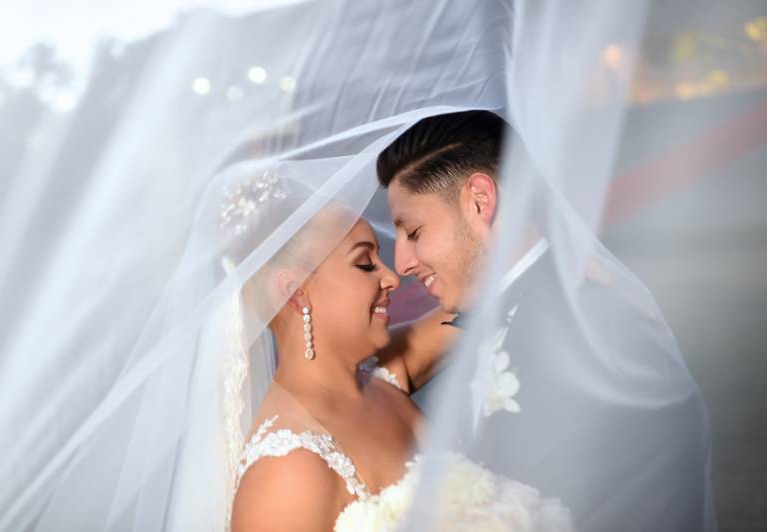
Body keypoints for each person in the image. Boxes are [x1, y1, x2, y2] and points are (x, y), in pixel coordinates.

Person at [376, 110, 716, 532]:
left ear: (480, 200)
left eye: (413, 232)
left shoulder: (598, 330)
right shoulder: (513, 315)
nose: (402, 263)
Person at [227, 197, 572, 531]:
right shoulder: (286, 471)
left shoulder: (387, 371)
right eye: (365, 262)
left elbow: (491, 299)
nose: (391, 277)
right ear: (295, 291)